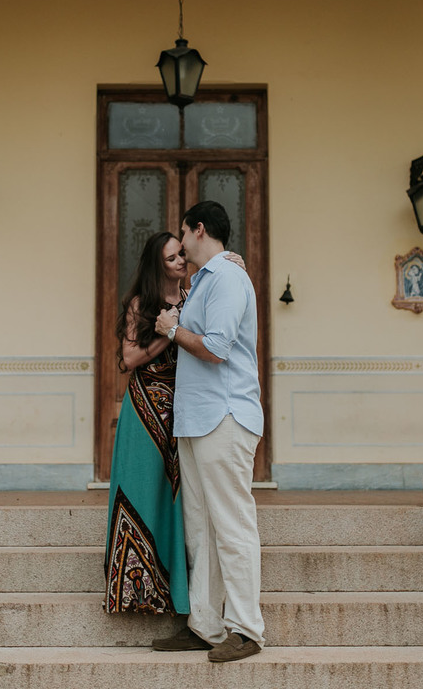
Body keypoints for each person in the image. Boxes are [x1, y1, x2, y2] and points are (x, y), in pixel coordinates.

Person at [103, 232, 246, 616]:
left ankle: (183, 599)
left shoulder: (193, 296)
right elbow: (130, 358)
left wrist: (233, 261)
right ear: (156, 265)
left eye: (182, 254)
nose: (181, 261)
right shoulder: (141, 304)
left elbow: (212, 330)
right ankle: (139, 592)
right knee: (143, 494)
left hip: (185, 411)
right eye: (171, 258)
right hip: (145, 410)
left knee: (185, 506)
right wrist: (169, 333)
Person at [151, 200, 265, 663]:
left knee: (232, 525)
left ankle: (247, 628)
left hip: (225, 417)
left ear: (200, 230)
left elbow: (216, 349)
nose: (179, 242)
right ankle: (205, 624)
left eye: (183, 232)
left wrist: (172, 329)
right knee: (200, 529)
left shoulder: (229, 279)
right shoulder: (205, 281)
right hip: (196, 421)